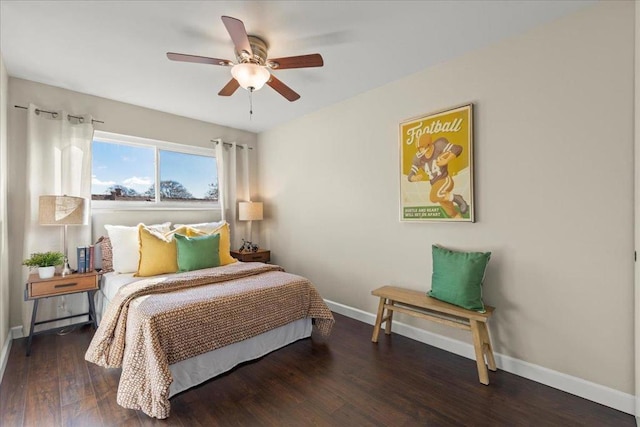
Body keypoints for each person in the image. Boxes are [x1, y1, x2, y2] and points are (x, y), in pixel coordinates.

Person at [407, 132, 468, 218]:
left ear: (429, 145)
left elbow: (457, 148)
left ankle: (457, 198)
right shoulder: (418, 158)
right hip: (435, 186)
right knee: (451, 213)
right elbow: (410, 175)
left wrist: (446, 160)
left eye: (422, 147)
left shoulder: (439, 145)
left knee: (433, 197)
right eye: (419, 149)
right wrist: (414, 178)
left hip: (444, 179)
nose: (421, 151)